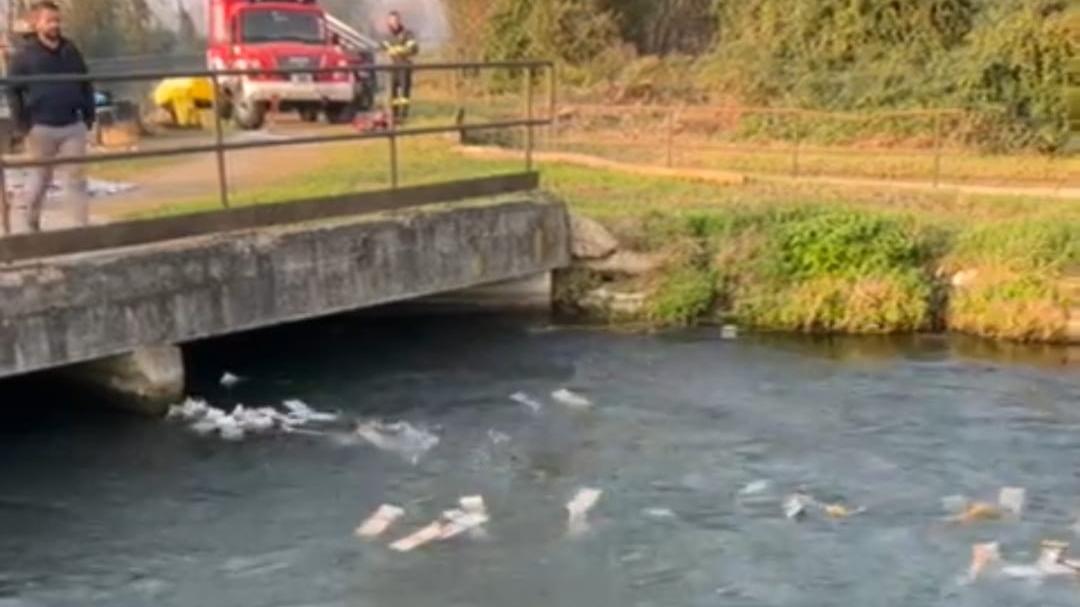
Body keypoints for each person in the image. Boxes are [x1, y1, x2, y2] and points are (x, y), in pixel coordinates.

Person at [6, 0, 94, 234]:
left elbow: (85, 82)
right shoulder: (24, 56)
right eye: (49, 20)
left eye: (57, 20)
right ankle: (30, 223)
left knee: (76, 178)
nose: (55, 24)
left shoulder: (71, 50)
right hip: (41, 127)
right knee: (40, 179)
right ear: (36, 24)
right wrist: (22, 125)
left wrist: (88, 115)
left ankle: (81, 229)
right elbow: (12, 90)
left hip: (72, 124)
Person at [381, 11, 418, 122]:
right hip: (392, 67)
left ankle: (404, 115)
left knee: (405, 93)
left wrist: (398, 50)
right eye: (392, 21)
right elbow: (384, 47)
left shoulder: (407, 33)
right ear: (388, 22)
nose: (394, 23)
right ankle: (394, 115)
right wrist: (394, 50)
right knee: (393, 93)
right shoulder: (387, 36)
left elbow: (413, 48)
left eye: (396, 20)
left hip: (404, 66)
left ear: (399, 20)